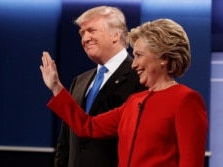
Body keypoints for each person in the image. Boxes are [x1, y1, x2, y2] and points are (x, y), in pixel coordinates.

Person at [40, 18, 208, 167]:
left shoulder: (186, 100)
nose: (134, 64)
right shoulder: (134, 101)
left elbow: (191, 163)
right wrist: (56, 87)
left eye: (139, 55)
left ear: (163, 58)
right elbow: (88, 127)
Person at [51, 6, 146, 167]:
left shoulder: (139, 77)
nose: (85, 38)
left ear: (115, 35)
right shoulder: (79, 81)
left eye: (91, 31)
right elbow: (66, 142)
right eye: (82, 33)